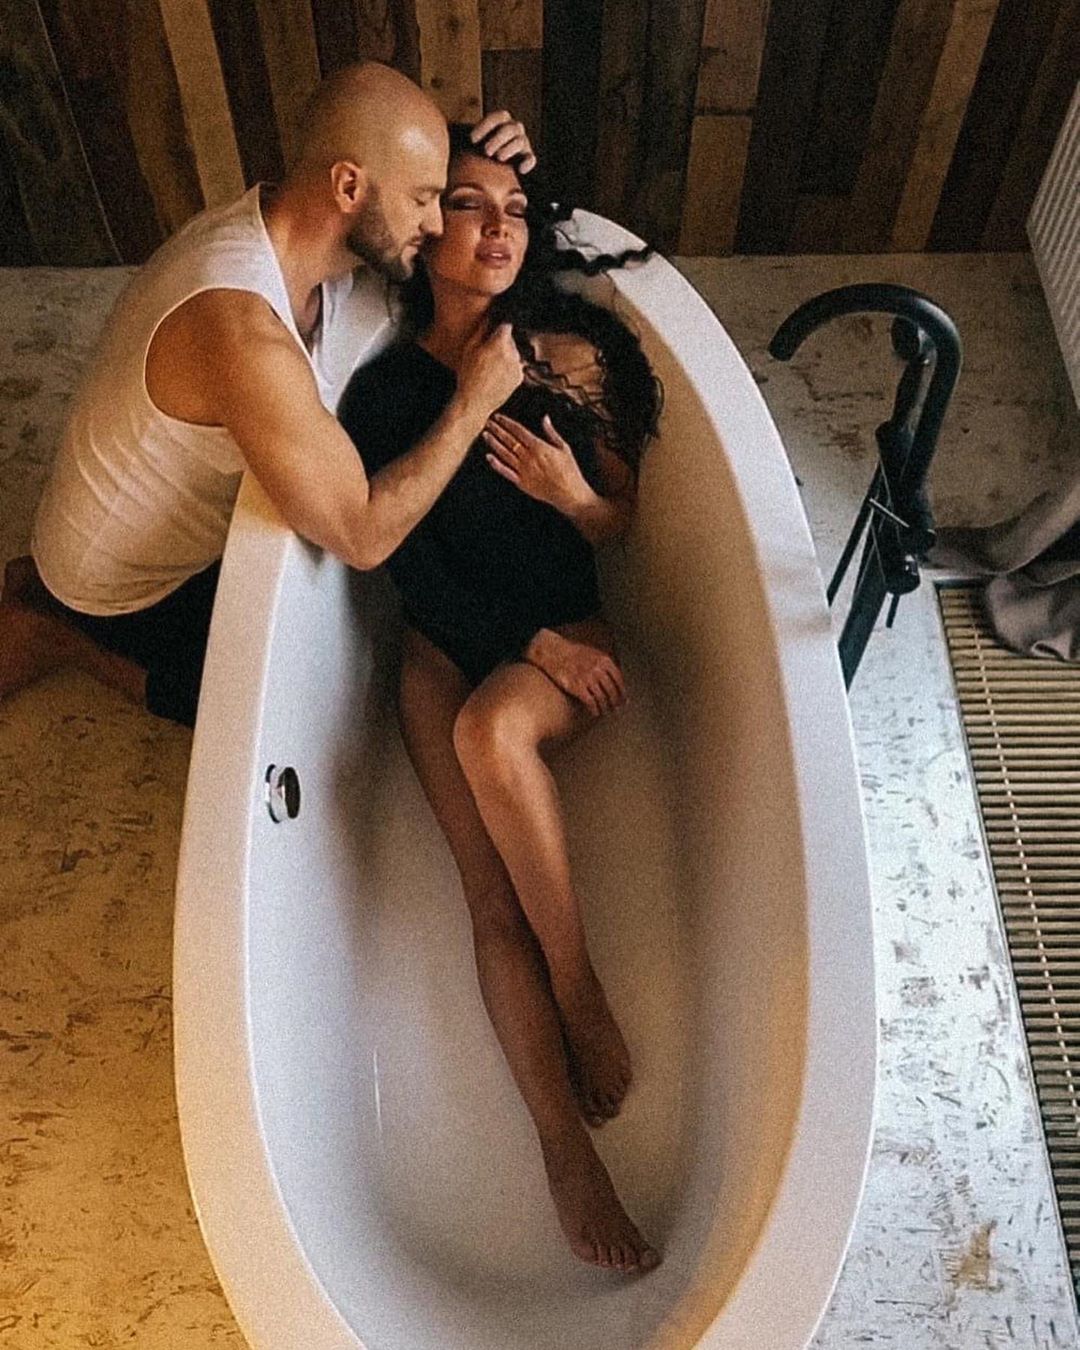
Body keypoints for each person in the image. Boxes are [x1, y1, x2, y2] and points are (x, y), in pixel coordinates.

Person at [338, 124, 663, 1272]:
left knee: (493, 727)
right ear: (426, 233)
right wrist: (470, 402)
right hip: (450, 646)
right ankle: (564, 1152)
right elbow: (404, 567)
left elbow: (617, 523)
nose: (498, 229)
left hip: (566, 633)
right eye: (469, 207)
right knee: (487, 899)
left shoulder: (565, 355)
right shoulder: (385, 393)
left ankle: (578, 987)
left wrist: (575, 497)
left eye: (515, 212)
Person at [0, 62, 535, 727]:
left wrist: (495, 157)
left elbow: (424, 191)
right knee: (280, 704)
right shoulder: (242, 331)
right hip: (121, 587)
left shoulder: (299, 230)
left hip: (135, 517)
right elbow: (363, 535)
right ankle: (52, 631)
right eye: (426, 198)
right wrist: (472, 404)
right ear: (348, 186)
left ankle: (44, 590)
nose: (434, 223)